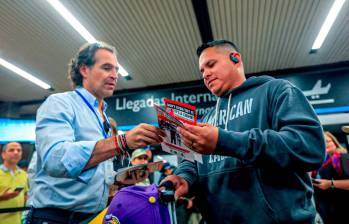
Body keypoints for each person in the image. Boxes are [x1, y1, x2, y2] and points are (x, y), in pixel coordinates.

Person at [162, 39, 326, 223]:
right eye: (202, 71)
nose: (206, 74)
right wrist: (184, 178)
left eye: (211, 64)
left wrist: (223, 141)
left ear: (235, 59)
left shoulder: (276, 91)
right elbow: (193, 162)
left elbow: (309, 146)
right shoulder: (208, 117)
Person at [27, 42, 165, 224]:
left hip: (95, 217)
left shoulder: (103, 117)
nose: (114, 75)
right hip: (56, 218)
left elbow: (94, 171)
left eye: (116, 69)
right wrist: (121, 142)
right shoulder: (59, 103)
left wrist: (116, 182)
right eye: (107, 68)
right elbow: (55, 159)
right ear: (84, 69)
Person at [311, 131, 349, 223]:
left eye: (328, 141)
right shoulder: (319, 164)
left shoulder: (343, 158)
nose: (325, 144)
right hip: (328, 214)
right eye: (321, 142)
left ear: (335, 142)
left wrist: (330, 184)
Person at [0, 142, 28, 224]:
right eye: (11, 150)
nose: (16, 152)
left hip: (18, 221)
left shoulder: (24, 174)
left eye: (19, 150)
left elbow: (25, 195)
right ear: (3, 155)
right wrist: (2, 197)